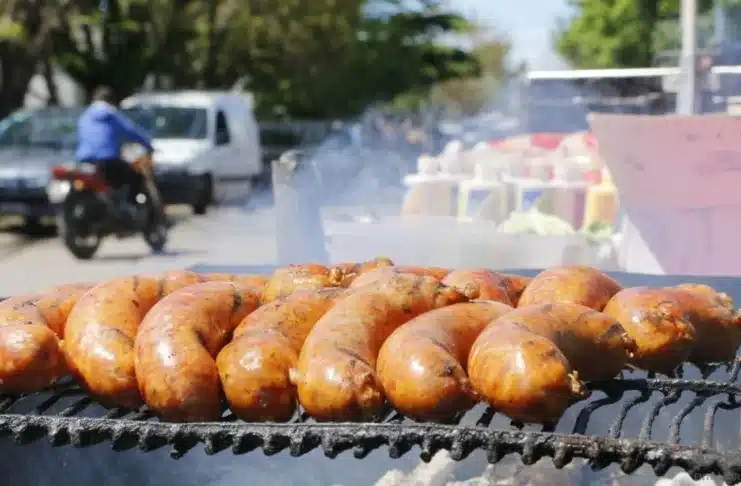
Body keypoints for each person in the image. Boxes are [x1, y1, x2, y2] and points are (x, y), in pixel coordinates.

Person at [75, 85, 154, 201]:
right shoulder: (111, 114)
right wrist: (149, 145)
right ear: (111, 101)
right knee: (135, 175)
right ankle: (129, 204)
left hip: (83, 161)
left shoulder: (84, 116)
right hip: (107, 160)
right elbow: (131, 131)